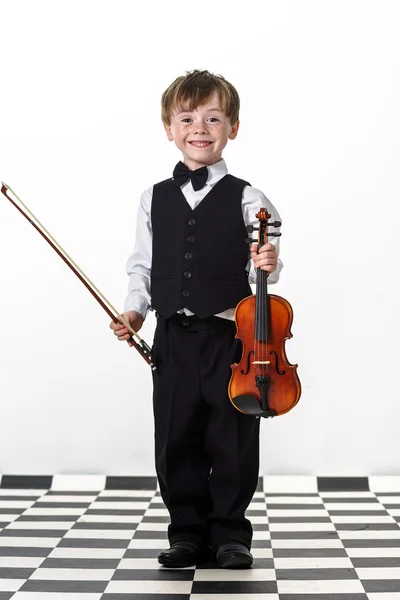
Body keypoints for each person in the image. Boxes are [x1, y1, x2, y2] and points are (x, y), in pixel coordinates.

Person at [110, 69, 283, 569]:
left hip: (231, 338)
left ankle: (230, 534)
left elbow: (264, 262)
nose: (199, 127)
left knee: (231, 436)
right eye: (187, 118)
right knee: (175, 435)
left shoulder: (251, 199)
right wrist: (134, 311)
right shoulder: (153, 198)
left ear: (233, 127)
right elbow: (141, 265)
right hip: (173, 338)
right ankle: (186, 532)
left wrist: (267, 261)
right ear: (169, 127)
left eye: (213, 117)